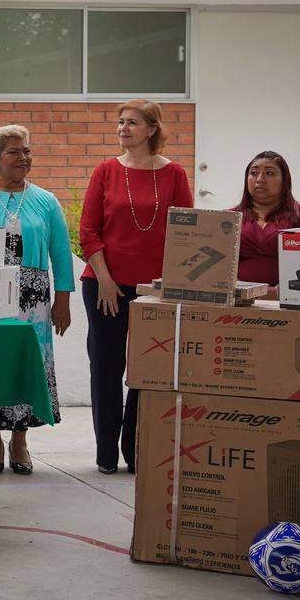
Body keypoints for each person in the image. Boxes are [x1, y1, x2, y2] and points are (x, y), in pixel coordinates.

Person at [80, 99, 193, 475]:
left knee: (147, 373)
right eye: (120, 122)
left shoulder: (174, 174)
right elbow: (88, 232)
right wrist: (107, 281)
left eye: (132, 122)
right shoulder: (106, 172)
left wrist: (167, 287)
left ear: (152, 129)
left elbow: (186, 232)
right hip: (104, 285)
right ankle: (106, 454)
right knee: (106, 369)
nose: (123, 128)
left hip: (156, 290)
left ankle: (136, 451)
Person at [0, 125, 74, 476]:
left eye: (26, 151)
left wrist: (63, 301)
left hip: (34, 298)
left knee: (28, 364)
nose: (23, 158)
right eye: (14, 152)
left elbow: (61, 254)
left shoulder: (46, 201)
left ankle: (20, 440)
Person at [235, 151, 300, 291]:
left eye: (269, 173)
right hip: (238, 301)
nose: (260, 179)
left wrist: (280, 292)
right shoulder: (230, 218)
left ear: (285, 180)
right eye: (254, 173)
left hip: (291, 300)